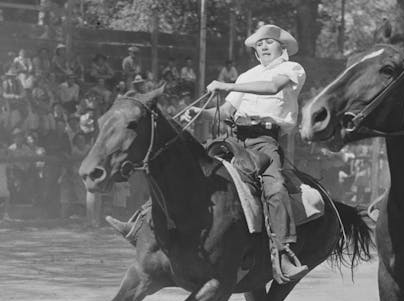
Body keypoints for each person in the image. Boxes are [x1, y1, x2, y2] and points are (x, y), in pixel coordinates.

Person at [106, 23, 309, 282]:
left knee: (275, 186)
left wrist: (227, 85)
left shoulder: (291, 69)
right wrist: (202, 112)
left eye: (269, 42)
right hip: (233, 139)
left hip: (264, 142)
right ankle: (139, 224)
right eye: (259, 44)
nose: (263, 46)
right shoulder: (246, 76)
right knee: (186, 171)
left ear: (282, 46)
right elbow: (226, 112)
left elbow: (272, 87)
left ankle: (283, 251)